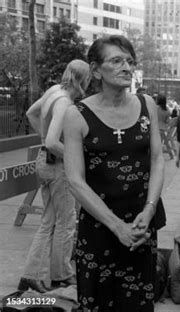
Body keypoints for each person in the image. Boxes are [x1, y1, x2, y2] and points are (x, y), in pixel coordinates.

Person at [63, 35, 166, 311]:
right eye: (116, 60)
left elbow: (157, 159)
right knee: (98, 303)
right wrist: (116, 225)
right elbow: (75, 181)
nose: (126, 67)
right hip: (98, 230)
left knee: (139, 303)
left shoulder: (147, 105)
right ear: (96, 70)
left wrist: (150, 209)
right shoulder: (77, 115)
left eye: (130, 61)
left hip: (141, 228)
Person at [19, 60, 91, 293]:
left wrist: (42, 133)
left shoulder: (53, 91)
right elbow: (52, 141)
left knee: (49, 221)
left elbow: (32, 112)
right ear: (83, 80)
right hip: (57, 165)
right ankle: (60, 274)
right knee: (66, 221)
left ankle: (32, 274)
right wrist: (74, 157)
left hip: (44, 161)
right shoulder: (64, 103)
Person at [155, 94, 174, 159]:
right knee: (167, 143)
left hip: (155, 128)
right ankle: (171, 155)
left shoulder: (154, 108)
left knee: (155, 143)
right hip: (164, 129)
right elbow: (167, 121)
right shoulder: (167, 109)